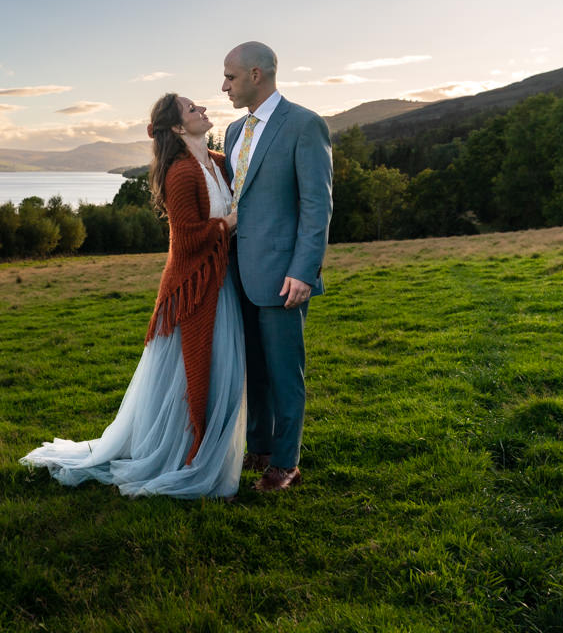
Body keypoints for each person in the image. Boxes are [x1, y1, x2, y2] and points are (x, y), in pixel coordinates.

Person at [20, 92, 247, 499]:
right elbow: (190, 236)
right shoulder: (180, 172)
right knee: (190, 377)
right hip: (193, 289)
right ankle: (182, 456)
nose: (204, 111)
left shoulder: (214, 162)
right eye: (193, 109)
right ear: (178, 127)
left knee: (222, 374)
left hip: (220, 284)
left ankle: (201, 451)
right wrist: (229, 222)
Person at [221, 41, 333, 492]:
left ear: (255, 75)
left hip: (285, 273)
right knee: (253, 369)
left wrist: (304, 271)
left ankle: (285, 462)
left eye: (229, 77)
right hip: (239, 272)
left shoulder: (304, 125)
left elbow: (316, 204)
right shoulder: (232, 131)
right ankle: (260, 447)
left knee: (286, 372)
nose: (222, 85)